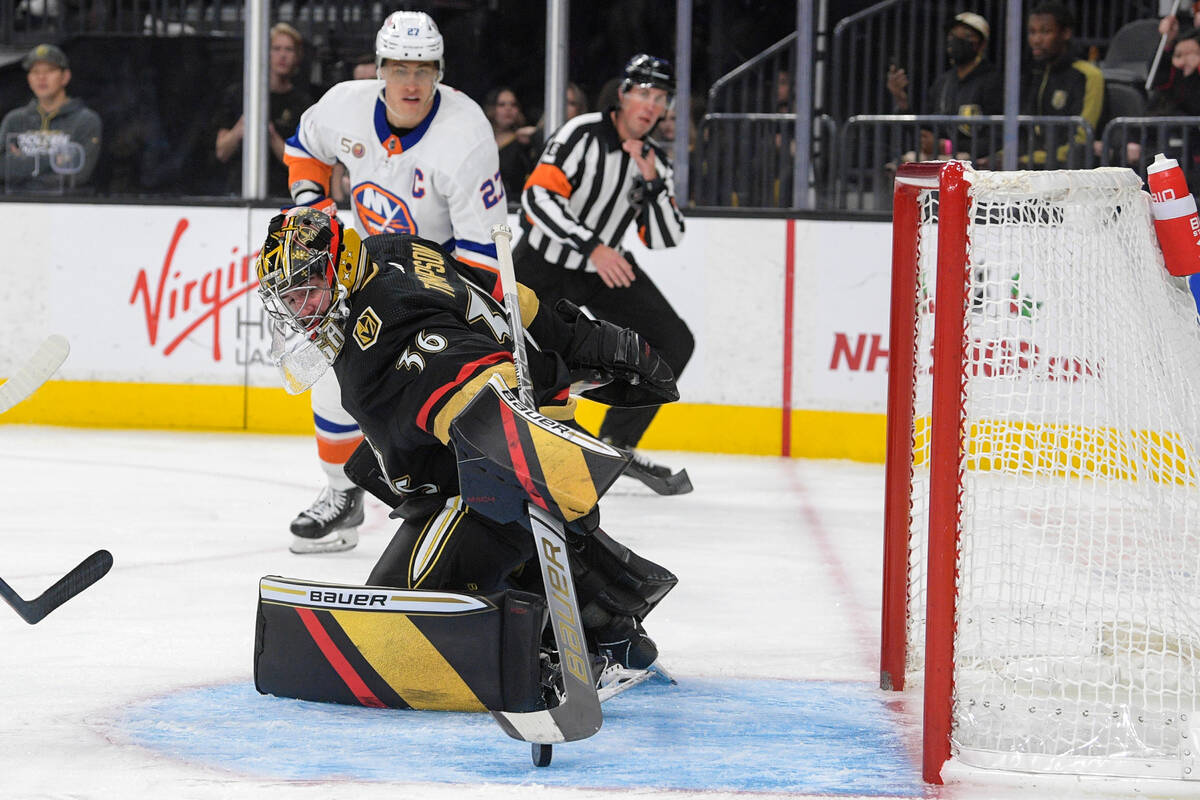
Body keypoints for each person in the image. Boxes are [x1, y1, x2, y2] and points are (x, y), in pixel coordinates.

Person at [254, 205, 679, 675]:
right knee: (404, 589)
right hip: (507, 451)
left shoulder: (380, 338)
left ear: (343, 268)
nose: (300, 312)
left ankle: (534, 659)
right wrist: (584, 341)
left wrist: (533, 449)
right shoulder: (392, 248)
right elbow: (505, 297)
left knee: (404, 627)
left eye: (308, 292)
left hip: (507, 462)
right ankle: (609, 629)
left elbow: (473, 389)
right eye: (288, 300)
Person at [277, 10, 507, 554]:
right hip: (367, 266)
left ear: (440, 73)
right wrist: (314, 212)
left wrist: (455, 316)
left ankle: (456, 510)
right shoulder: (344, 105)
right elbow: (303, 147)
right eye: (400, 67)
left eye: (423, 69)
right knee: (331, 377)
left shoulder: (467, 137)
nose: (411, 82)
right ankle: (341, 495)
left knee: (428, 402)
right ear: (379, 69)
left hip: (439, 282)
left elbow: (485, 258)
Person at [515, 54, 694, 495]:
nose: (651, 106)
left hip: (603, 269)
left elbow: (664, 236)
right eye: (644, 94)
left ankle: (617, 441)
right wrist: (593, 245)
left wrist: (652, 184)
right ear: (624, 95)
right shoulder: (583, 134)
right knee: (508, 350)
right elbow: (537, 198)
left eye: (660, 97)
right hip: (543, 263)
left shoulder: (655, 160)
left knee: (674, 342)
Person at [885, 11, 1003, 161]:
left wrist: (947, 146)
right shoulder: (943, 82)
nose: (955, 40)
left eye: (966, 36)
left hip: (977, 160)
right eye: (952, 35)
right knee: (906, 163)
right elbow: (925, 131)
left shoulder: (993, 81)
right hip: (943, 157)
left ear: (982, 44)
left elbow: (996, 138)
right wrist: (901, 100)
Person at [214, 22, 312, 198]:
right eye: (276, 48)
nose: (282, 55)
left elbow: (299, 164)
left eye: (289, 50)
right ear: (265, 53)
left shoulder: (302, 103)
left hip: (282, 196)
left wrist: (271, 135)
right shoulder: (239, 94)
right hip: (238, 192)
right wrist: (242, 127)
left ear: (297, 57)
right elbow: (221, 152)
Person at [0, 43, 101, 194]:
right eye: (35, 72)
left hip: (69, 210)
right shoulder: (14, 120)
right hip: (18, 207)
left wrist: (22, 165)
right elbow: (3, 170)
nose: (41, 77)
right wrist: (54, 160)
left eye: (49, 71)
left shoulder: (86, 121)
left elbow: (78, 176)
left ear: (65, 77)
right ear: (29, 79)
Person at [1019, 2, 1104, 167]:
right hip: (1029, 166)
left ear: (1065, 33)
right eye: (1032, 32)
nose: (1036, 40)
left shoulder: (1087, 75)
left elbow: (1081, 136)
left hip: (1070, 170)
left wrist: (1028, 159)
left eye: (1045, 32)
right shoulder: (1032, 73)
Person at [484, 86, 536, 202]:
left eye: (513, 105)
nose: (508, 109)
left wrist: (535, 136)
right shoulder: (482, 140)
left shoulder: (523, 141)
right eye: (502, 105)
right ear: (492, 109)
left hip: (514, 205)